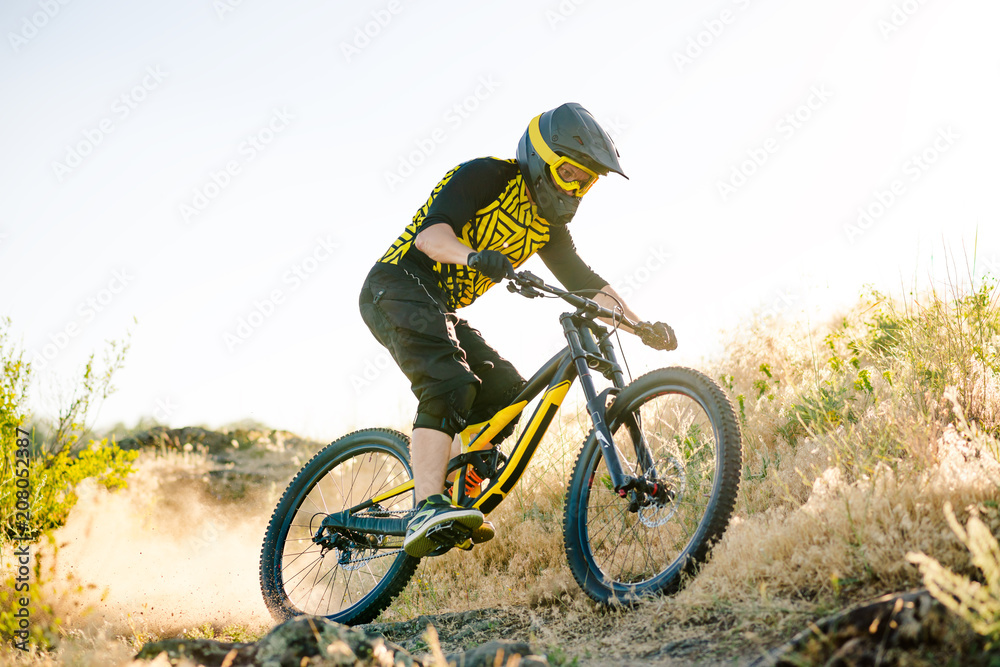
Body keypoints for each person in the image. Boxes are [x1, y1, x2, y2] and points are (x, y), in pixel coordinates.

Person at [358, 102, 677, 558]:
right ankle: (426, 505)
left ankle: (454, 482)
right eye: (570, 173)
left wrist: (639, 324)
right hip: (396, 284)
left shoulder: (548, 226)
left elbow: (588, 285)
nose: (577, 187)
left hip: (439, 305)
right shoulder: (486, 177)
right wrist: (472, 255)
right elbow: (429, 239)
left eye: (587, 181)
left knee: (509, 394)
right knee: (449, 381)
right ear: (540, 160)